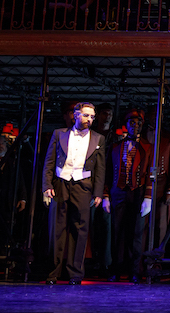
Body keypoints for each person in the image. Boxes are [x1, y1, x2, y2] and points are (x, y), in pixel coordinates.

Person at [42, 102, 105, 285]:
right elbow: (49, 162)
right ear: (76, 115)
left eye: (92, 117)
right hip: (60, 183)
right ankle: (53, 273)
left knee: (80, 230)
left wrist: (98, 193)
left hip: (83, 186)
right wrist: (47, 185)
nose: (89, 120)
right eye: (86, 116)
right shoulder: (59, 134)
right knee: (56, 229)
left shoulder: (98, 138)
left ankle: (75, 274)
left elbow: (101, 168)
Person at [102, 109, 152, 283]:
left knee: (136, 234)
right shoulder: (115, 147)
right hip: (118, 192)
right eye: (132, 123)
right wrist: (106, 195)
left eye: (138, 123)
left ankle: (135, 271)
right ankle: (115, 269)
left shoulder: (148, 147)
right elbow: (107, 173)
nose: (135, 126)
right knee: (116, 233)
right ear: (126, 125)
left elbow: (151, 174)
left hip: (137, 193)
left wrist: (148, 197)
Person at [140, 106, 170, 249]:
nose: (156, 118)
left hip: (162, 185)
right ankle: (138, 263)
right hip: (142, 184)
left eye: (159, 116)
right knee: (141, 224)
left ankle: (155, 262)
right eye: (153, 115)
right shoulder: (141, 136)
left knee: (160, 225)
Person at [89, 102, 116, 275]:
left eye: (110, 114)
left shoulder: (114, 137)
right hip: (90, 184)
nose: (107, 117)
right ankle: (89, 259)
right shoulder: (91, 135)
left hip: (108, 185)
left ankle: (105, 262)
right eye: (104, 113)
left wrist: (106, 191)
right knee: (89, 223)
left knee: (106, 224)